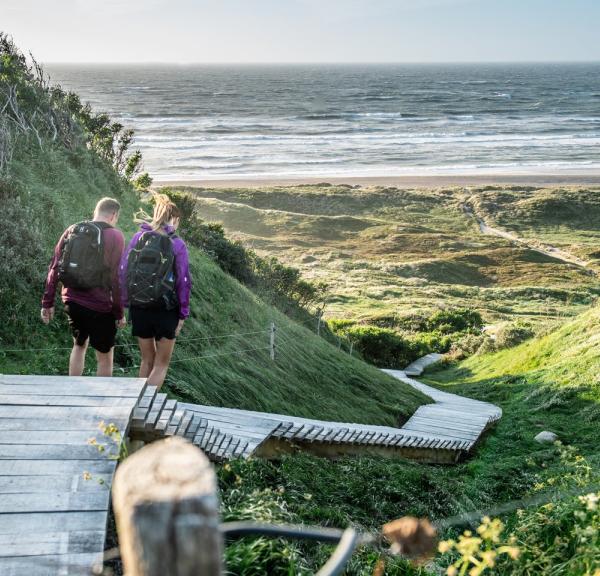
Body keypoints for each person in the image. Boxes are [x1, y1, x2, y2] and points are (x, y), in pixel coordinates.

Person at [41, 197, 126, 376]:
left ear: (96, 210)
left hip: (72, 301)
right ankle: (103, 401)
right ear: (113, 215)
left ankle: (73, 394)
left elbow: (55, 266)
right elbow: (115, 277)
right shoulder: (115, 235)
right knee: (105, 356)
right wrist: (119, 312)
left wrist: (47, 302)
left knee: (79, 346)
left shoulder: (73, 229)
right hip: (100, 306)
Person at [119, 194, 191, 389]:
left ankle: (135, 404)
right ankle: (144, 409)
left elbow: (124, 270)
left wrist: (125, 302)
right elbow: (183, 281)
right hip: (165, 309)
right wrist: (183, 313)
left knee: (146, 361)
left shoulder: (138, 237)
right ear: (174, 219)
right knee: (161, 365)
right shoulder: (177, 244)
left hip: (139, 307)